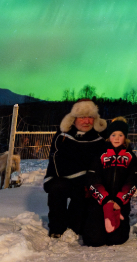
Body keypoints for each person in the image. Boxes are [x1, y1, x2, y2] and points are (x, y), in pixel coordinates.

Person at [44, 100, 106, 238]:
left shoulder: (99, 139)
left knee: (77, 228)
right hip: (65, 180)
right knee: (57, 188)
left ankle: (75, 224)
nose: (86, 121)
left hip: (87, 184)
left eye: (90, 117)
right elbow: (58, 162)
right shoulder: (63, 137)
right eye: (82, 117)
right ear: (73, 119)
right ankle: (57, 227)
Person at [82, 117, 137, 247]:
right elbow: (92, 179)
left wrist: (119, 200)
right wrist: (106, 200)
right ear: (109, 136)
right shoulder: (99, 154)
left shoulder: (131, 157)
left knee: (117, 239)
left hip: (120, 204)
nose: (116, 138)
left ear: (125, 137)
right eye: (113, 134)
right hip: (100, 202)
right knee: (94, 240)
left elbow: (133, 181)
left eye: (120, 135)